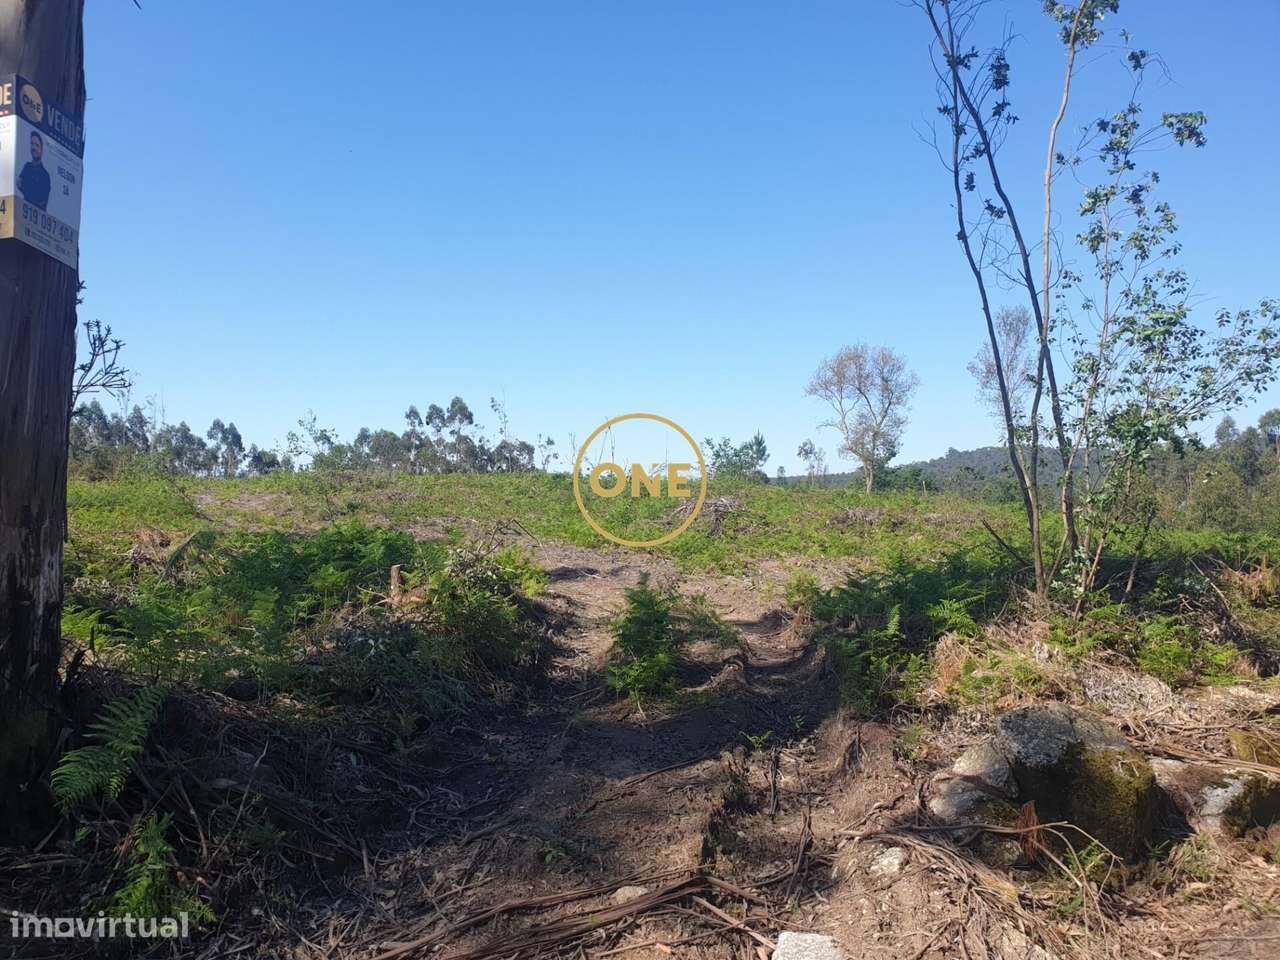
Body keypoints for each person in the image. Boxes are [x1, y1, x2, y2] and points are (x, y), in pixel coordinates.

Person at [17, 131, 51, 211]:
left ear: (41, 150)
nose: (34, 148)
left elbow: (41, 199)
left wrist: (25, 188)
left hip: (36, 220)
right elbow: (18, 183)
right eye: (32, 144)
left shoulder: (45, 175)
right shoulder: (27, 167)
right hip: (23, 214)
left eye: (37, 145)